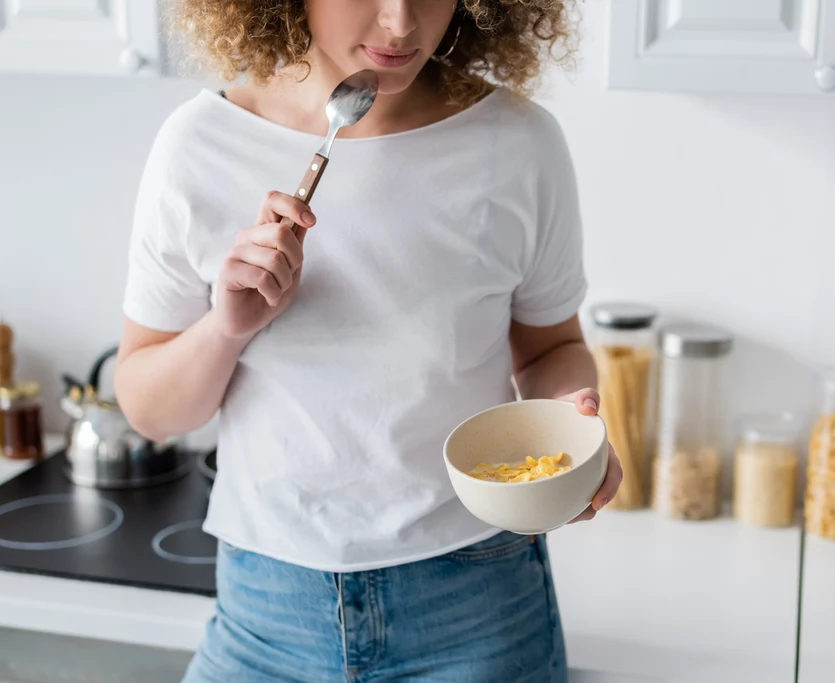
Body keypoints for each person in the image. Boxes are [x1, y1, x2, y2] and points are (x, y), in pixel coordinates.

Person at [114, 1, 621, 680]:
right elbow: (150, 408)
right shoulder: (199, 145)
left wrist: (573, 428)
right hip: (267, 606)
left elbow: (549, 348)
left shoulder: (518, 143)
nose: (402, 23)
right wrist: (226, 326)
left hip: (475, 600)